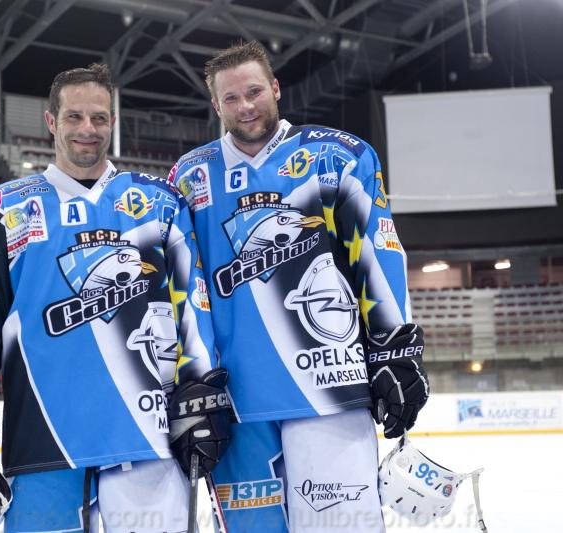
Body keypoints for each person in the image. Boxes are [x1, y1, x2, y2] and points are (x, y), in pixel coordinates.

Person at [0, 64, 231, 533]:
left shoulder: (162, 203)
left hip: (147, 437)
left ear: (113, 122)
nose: (88, 129)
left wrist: (200, 386)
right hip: (42, 440)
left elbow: (192, 303)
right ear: (51, 121)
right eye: (74, 117)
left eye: (99, 118)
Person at [168, 41, 429, 533]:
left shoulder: (338, 155)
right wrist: (192, 380)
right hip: (235, 402)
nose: (245, 106)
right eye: (231, 98)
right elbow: (187, 287)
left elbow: (377, 253)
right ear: (216, 105)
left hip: (331, 388)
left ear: (275, 88)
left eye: (254, 92)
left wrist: (394, 348)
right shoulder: (189, 177)